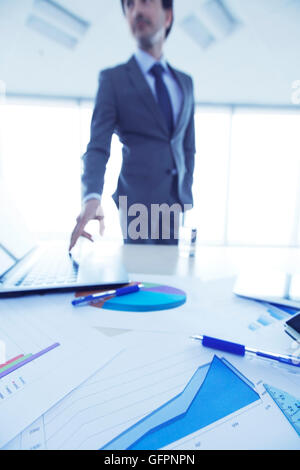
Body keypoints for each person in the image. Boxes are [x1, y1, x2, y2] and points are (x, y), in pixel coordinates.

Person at [69, 0, 196, 250]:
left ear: (167, 16)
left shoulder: (185, 83)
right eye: (129, 5)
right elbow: (97, 146)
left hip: (175, 204)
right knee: (143, 276)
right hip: (137, 205)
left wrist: (185, 192)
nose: (136, 10)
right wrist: (91, 196)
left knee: (170, 280)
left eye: (146, 2)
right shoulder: (113, 80)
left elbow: (187, 146)